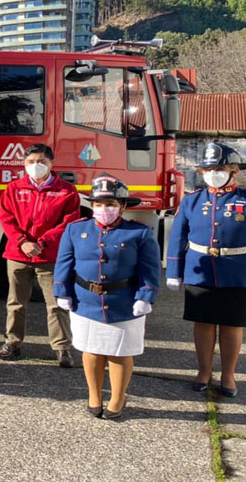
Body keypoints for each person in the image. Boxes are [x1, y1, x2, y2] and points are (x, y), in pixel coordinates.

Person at [166, 142, 246, 398]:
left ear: (234, 170)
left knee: (231, 326)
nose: (213, 172)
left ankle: (228, 374)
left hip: (238, 272)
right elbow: (178, 238)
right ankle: (203, 371)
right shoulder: (192, 200)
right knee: (203, 324)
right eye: (208, 168)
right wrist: (174, 270)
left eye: (219, 167)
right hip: (199, 270)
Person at [54, 176, 160, 419]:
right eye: (99, 204)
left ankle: (117, 396)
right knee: (91, 350)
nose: (104, 209)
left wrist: (145, 296)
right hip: (86, 301)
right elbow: (64, 263)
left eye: (110, 204)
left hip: (124, 301)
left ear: (122, 205)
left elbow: (150, 269)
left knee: (120, 352)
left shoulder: (139, 233)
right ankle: (94, 394)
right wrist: (62, 291)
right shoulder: (76, 229)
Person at [0, 143, 80, 367]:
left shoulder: (66, 191)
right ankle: (12, 343)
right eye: (31, 162)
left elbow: (68, 223)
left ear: (52, 164)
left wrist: (41, 243)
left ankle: (62, 348)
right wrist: (23, 242)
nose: (36, 166)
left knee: (56, 304)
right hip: (18, 255)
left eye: (42, 161)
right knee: (16, 302)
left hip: (49, 257)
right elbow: (6, 218)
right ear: (24, 164)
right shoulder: (14, 188)